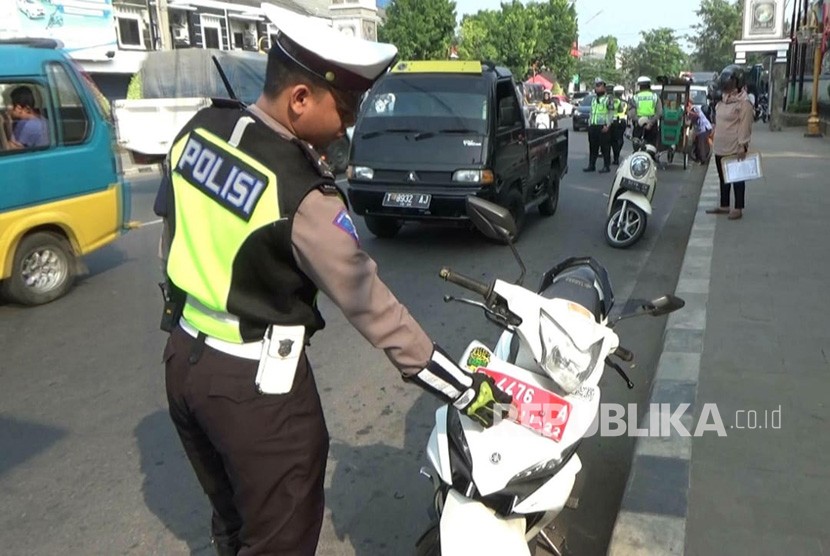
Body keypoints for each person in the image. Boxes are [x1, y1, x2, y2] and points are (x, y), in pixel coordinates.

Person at [155, 5, 513, 555]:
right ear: (300, 99)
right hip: (257, 394)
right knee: (279, 538)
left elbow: (170, 240)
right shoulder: (301, 195)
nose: (348, 125)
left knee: (232, 524)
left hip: (183, 366)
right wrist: (464, 388)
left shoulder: (198, 131)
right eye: (343, 107)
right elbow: (376, 310)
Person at [706, 65, 754, 221]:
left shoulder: (743, 103)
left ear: (737, 82)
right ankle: (724, 205)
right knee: (723, 177)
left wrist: (742, 145)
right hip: (720, 145)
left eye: (730, 81)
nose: (726, 84)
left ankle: (738, 207)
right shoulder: (722, 100)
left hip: (734, 146)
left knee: (737, 178)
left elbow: (745, 125)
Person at [584, 77, 614, 173]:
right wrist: (589, 124)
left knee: (605, 147)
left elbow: (611, 113)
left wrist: (607, 125)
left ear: (604, 88)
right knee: (593, 147)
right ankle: (591, 165)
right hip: (593, 126)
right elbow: (592, 113)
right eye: (596, 86)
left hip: (603, 126)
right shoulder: (593, 100)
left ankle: (606, 166)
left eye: (599, 86)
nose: (597, 88)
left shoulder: (608, 99)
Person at [629, 76, 662, 148]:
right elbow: (659, 112)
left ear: (639, 86)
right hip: (652, 126)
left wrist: (641, 122)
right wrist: (650, 123)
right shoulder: (655, 97)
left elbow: (631, 113)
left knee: (637, 147)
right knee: (651, 148)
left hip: (639, 126)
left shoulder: (635, 97)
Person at [687, 98, 712, 164]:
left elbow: (697, 116)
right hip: (700, 129)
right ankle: (699, 157)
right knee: (697, 142)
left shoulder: (694, 108)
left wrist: (689, 112)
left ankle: (702, 160)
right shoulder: (693, 109)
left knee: (701, 144)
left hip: (704, 128)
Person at [610, 85, 628, 165]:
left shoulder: (613, 101)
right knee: (620, 139)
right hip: (623, 121)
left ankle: (616, 157)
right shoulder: (625, 102)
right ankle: (617, 154)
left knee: (614, 140)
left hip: (614, 121)